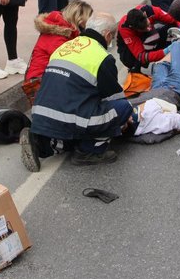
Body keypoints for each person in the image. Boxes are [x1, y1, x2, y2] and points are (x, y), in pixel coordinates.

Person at [20, 12, 134, 172]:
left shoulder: (65, 47)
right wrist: (125, 119)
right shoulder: (102, 57)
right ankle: (88, 150)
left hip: (40, 115)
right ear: (108, 35)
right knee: (123, 107)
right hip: (69, 117)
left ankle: (42, 144)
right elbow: (114, 98)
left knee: (77, 116)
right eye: (112, 36)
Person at [22, 0, 93, 103]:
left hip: (43, 80)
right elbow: (69, 62)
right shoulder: (58, 36)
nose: (90, 22)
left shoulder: (62, 30)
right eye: (89, 19)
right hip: (40, 83)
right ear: (80, 19)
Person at [116, 4, 180, 72]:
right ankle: (139, 68)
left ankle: (165, 56)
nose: (148, 28)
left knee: (172, 27)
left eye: (148, 25)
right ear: (134, 28)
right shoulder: (125, 28)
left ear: (145, 14)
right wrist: (165, 51)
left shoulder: (149, 10)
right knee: (131, 61)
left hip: (145, 38)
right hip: (129, 50)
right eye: (144, 29)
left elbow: (173, 19)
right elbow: (141, 56)